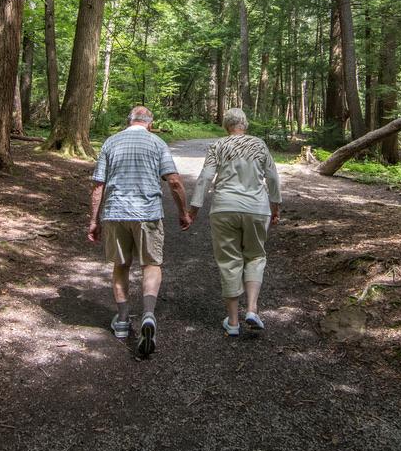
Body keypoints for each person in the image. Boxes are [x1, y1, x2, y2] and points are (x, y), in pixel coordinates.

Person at [88, 106, 191, 356]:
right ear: (150, 123)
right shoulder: (157, 143)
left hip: (115, 213)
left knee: (121, 265)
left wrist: (94, 220)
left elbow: (98, 184)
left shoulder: (111, 142)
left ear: (129, 121)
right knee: (151, 265)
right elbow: (174, 181)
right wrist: (183, 211)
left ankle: (122, 321)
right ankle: (147, 315)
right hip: (148, 214)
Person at [189, 107, 282, 336]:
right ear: (245, 124)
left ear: (225, 126)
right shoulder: (259, 145)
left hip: (224, 208)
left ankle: (232, 322)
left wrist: (194, 208)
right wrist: (275, 205)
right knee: (255, 256)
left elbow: (206, 177)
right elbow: (272, 176)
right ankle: (252, 309)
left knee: (229, 261)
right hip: (257, 208)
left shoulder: (218, 146)